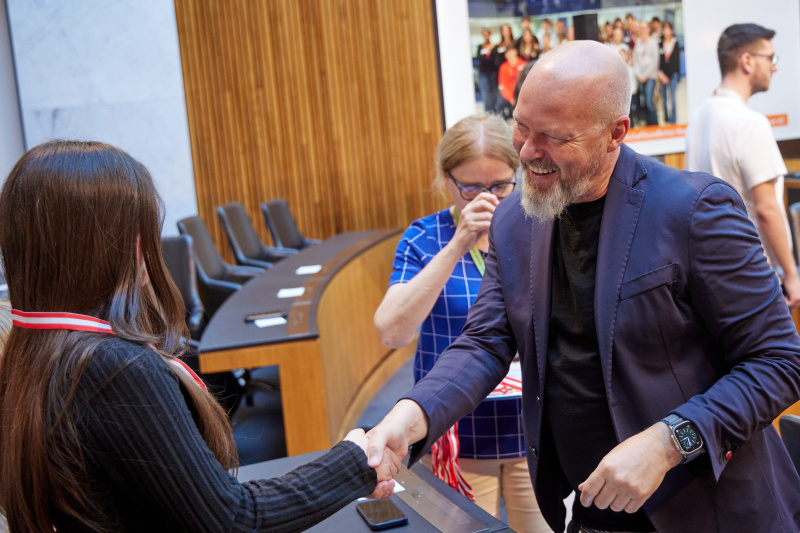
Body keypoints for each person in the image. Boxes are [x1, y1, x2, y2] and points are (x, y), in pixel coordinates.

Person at [367, 40, 800, 533]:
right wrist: (411, 414)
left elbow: (779, 362)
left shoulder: (694, 209)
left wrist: (668, 441)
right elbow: (486, 342)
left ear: (615, 133)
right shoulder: (515, 217)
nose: (528, 153)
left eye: (554, 137)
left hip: (706, 510)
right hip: (590, 511)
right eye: (522, 126)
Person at [0, 140, 399, 532]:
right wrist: (355, 459)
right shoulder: (114, 368)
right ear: (104, 246)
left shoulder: (29, 350)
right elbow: (234, 519)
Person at [374, 114, 550, 533]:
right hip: (458, 436)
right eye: (469, 186)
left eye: (500, 185)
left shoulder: (539, 228)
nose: (484, 198)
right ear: (446, 179)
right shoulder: (425, 237)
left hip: (532, 434)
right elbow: (392, 332)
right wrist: (458, 245)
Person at [686, 23, 800, 307]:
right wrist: (792, 274)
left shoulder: (698, 118)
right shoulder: (750, 123)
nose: (774, 67)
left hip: (715, 273)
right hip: (755, 274)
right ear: (747, 61)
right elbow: (766, 209)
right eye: (770, 58)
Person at [632, 22, 659, 125]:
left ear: (648, 29)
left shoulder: (653, 43)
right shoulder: (638, 44)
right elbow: (636, 61)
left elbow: (655, 61)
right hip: (640, 77)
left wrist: (646, 75)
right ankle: (647, 123)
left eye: (644, 28)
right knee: (642, 101)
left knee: (649, 100)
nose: (642, 30)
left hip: (650, 77)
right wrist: (640, 75)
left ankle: (654, 124)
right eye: (641, 28)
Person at [657, 22, 680, 124]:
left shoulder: (675, 43)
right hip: (662, 74)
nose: (666, 31)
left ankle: (674, 120)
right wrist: (661, 73)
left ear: (671, 30)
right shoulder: (660, 44)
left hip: (673, 74)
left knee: (673, 98)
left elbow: (676, 61)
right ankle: (666, 119)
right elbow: (659, 60)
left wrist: (673, 75)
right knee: (664, 98)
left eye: (668, 29)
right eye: (665, 29)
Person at [496, 46, 527, 119]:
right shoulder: (503, 67)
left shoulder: (523, 64)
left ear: (516, 51)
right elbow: (502, 85)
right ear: (505, 55)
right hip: (509, 95)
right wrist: (510, 98)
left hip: (521, 94)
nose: (510, 53)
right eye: (508, 52)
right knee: (501, 105)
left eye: (512, 51)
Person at [476, 27, 499, 114]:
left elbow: (495, 59)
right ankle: (488, 114)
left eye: (487, 34)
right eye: (484, 34)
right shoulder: (480, 47)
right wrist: (488, 58)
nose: (486, 36)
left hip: (494, 73)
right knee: (486, 95)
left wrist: (486, 58)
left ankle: (494, 113)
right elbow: (479, 58)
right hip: (483, 74)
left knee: (494, 95)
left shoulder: (495, 47)